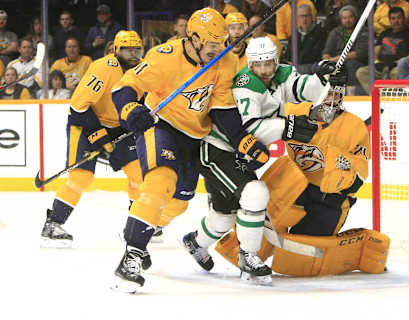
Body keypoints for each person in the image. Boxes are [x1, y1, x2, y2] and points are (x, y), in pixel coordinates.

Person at [110, 8, 271, 293]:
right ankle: (131, 256)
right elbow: (126, 86)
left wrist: (242, 140)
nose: (216, 48)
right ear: (193, 38)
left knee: (178, 203)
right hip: (161, 125)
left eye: (220, 42)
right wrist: (130, 108)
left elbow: (223, 110)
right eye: (210, 43)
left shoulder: (224, 61)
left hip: (194, 138)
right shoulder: (164, 56)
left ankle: (137, 226)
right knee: (161, 182)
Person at [182, 36, 340, 284]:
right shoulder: (245, 83)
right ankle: (248, 256)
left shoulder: (281, 74)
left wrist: (320, 78)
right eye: (259, 65)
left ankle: (196, 242)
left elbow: (298, 89)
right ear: (250, 64)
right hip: (217, 150)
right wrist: (288, 127)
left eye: (270, 63)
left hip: (238, 152)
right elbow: (252, 129)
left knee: (224, 216)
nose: (265, 70)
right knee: (255, 193)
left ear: (276, 61)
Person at [215, 66, 388, 278]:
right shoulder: (294, 112)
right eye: (327, 93)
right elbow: (256, 122)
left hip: (329, 197)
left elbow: (359, 177)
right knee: (273, 192)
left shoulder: (355, 127)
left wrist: (341, 166)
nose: (332, 101)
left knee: (300, 264)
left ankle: (354, 250)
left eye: (337, 94)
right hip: (294, 185)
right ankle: (248, 247)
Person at [40, 31, 144, 248]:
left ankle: (137, 225)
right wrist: (98, 135)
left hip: (119, 126)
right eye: (128, 50)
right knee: (81, 177)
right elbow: (78, 107)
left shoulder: (144, 69)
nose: (133, 55)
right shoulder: (103, 68)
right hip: (87, 122)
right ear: (116, 50)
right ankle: (53, 224)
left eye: (137, 50)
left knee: (138, 174)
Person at [356, 7, 409, 92]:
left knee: (396, 73)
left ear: (404, 19)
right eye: (393, 18)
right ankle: (377, 97)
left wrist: (396, 63)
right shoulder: (384, 33)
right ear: (389, 20)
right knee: (361, 72)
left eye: (399, 18)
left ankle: (391, 99)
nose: (396, 21)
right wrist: (376, 62)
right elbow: (376, 50)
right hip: (382, 66)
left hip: (398, 66)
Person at [322, 5, 368, 95]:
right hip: (337, 61)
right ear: (341, 20)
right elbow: (326, 51)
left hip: (357, 62)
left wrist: (334, 60)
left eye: (350, 17)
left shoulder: (363, 31)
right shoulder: (335, 32)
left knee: (350, 65)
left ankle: (351, 93)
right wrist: (327, 60)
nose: (347, 20)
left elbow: (358, 53)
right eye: (344, 18)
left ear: (355, 18)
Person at [283, 4, 328, 74]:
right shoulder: (294, 35)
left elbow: (315, 55)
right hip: (295, 70)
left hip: (313, 70)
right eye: (301, 16)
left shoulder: (321, 33)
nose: (304, 19)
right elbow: (288, 57)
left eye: (306, 15)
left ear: (312, 16)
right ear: (297, 18)